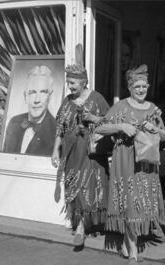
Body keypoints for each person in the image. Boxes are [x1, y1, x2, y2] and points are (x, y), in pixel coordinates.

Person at [94, 64, 165, 265]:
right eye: (137, 86)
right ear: (129, 87)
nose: (141, 90)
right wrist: (121, 126)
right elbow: (99, 126)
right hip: (125, 161)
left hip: (145, 163)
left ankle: (128, 245)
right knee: (129, 202)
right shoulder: (120, 107)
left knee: (140, 203)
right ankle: (133, 252)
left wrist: (156, 129)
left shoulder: (153, 108)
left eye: (144, 86)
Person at [51, 64, 110, 247]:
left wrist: (92, 119)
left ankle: (81, 229)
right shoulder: (67, 101)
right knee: (74, 186)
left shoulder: (96, 98)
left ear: (84, 81)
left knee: (87, 186)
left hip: (90, 151)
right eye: (68, 82)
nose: (70, 86)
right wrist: (55, 151)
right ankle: (84, 223)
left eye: (74, 82)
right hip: (71, 151)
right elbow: (60, 129)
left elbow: (111, 122)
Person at [3, 65, 56, 156]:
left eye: (43, 92)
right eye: (32, 92)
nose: (37, 100)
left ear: (49, 96)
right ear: (25, 96)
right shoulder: (14, 123)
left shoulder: (57, 131)